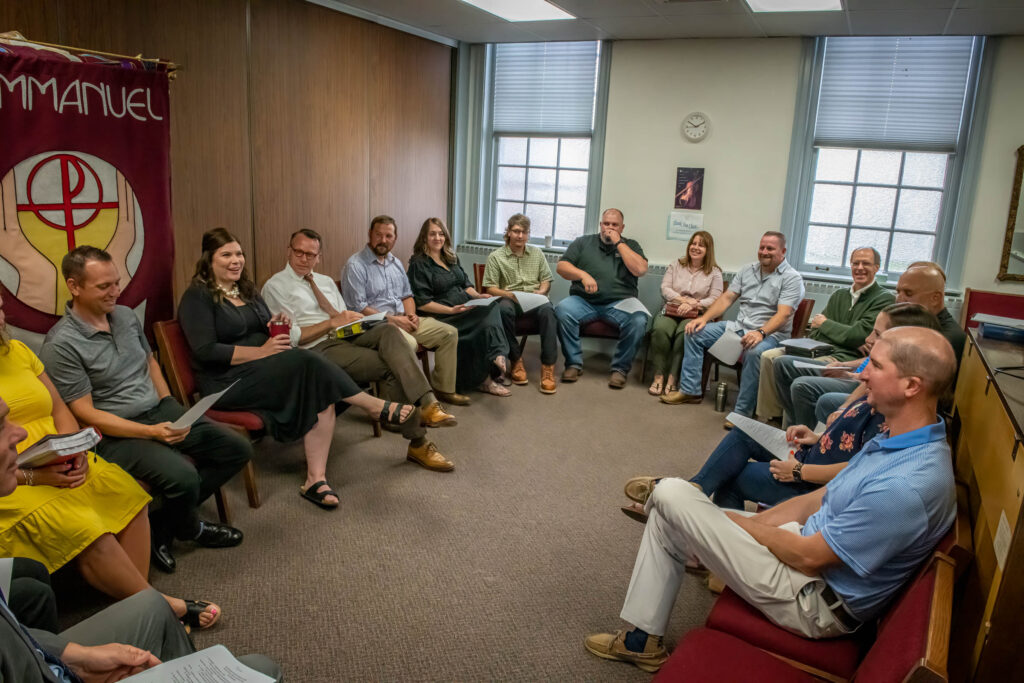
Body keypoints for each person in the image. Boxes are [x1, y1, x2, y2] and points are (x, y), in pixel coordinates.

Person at [585, 326, 957, 673]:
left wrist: (734, 524)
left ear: (912, 385)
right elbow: (817, 500)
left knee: (669, 493)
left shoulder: (907, 484)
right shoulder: (899, 439)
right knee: (672, 510)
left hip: (812, 602)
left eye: (875, 365)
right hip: (803, 554)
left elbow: (810, 558)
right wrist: (745, 526)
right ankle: (642, 640)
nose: (862, 374)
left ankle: (681, 532)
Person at [0, 402, 283, 682]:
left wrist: (74, 656)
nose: (19, 433)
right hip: (41, 472)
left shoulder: (24, 356)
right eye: (2, 425)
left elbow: (14, 638)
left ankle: (151, 596)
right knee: (264, 669)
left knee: (149, 602)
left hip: (36, 656)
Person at [178, 228, 446, 511]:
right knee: (309, 362)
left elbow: (265, 325)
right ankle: (373, 405)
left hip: (266, 365)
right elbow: (205, 351)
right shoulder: (197, 297)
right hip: (227, 381)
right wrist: (261, 351)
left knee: (321, 381)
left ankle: (315, 480)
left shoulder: (245, 289)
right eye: (226, 255)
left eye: (239, 253)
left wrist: (273, 323)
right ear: (209, 259)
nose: (236, 260)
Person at [1, 302, 221, 628]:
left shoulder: (17, 351)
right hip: (14, 477)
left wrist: (69, 450)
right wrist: (36, 474)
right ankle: (158, 606)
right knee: (88, 527)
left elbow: (60, 408)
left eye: (1, 306)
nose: (1, 315)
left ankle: (134, 600)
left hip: (54, 455)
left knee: (130, 498)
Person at [622, 303, 940, 520]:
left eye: (878, 335)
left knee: (733, 479)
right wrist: (817, 437)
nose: (868, 339)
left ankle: (689, 519)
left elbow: (856, 471)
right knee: (743, 432)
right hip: (813, 454)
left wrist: (798, 471)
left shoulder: (892, 410)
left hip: (810, 479)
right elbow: (851, 439)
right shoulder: (881, 386)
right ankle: (693, 489)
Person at [40, 247, 249, 574]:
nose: (115, 292)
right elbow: (86, 414)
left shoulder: (124, 315)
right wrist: (152, 433)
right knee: (183, 476)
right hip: (113, 434)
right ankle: (190, 528)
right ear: (74, 286)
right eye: (104, 286)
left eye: (116, 283)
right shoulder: (61, 344)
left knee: (236, 449)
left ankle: (164, 527)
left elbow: (150, 362)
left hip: (157, 410)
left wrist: (168, 403)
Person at [260, 229, 456, 468]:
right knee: (392, 365)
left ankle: (428, 403)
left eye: (310, 255)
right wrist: (331, 323)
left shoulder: (324, 282)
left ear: (319, 257)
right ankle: (419, 442)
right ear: (288, 250)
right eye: (298, 252)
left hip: (346, 336)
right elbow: (293, 338)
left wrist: (358, 322)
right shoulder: (275, 287)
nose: (303, 259)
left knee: (389, 330)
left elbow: (345, 318)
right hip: (316, 349)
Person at [783, 262, 965, 428]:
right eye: (898, 291)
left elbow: (898, 383)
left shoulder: (940, 339)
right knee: (785, 363)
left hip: (897, 407)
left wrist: (848, 401)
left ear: (935, 298)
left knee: (813, 392)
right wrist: (850, 372)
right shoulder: (912, 321)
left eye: (908, 294)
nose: (899, 299)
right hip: (873, 384)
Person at [662, 232, 805, 421]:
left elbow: (783, 314)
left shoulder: (792, 278)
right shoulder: (747, 270)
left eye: (770, 248)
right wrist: (703, 319)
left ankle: (742, 413)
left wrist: (760, 332)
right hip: (738, 327)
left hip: (770, 335)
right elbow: (727, 298)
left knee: (755, 352)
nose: (764, 252)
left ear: (783, 251)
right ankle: (690, 391)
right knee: (694, 331)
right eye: (762, 247)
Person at [342, 215, 468, 406]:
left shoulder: (395, 263)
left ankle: (444, 388)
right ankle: (408, 401)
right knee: (408, 344)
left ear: (395, 238)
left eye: (388, 236)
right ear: (369, 235)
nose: (383, 240)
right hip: (377, 325)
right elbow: (358, 308)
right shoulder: (355, 265)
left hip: (403, 318)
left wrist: (412, 315)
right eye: (378, 235)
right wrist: (394, 320)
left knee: (449, 333)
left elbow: (407, 296)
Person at [757, 247, 893, 423]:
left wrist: (827, 325)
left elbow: (858, 335)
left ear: (876, 267)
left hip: (841, 357)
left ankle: (794, 422)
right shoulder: (839, 295)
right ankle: (775, 415)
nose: (859, 268)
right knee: (768, 356)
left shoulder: (884, 298)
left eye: (865, 263)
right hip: (818, 349)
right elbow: (816, 331)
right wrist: (846, 336)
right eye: (855, 263)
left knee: (784, 364)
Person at [407, 218, 513, 397]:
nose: (437, 238)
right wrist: (451, 310)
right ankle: (493, 366)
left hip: (464, 308)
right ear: (424, 237)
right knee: (484, 323)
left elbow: (466, 285)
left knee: (493, 304)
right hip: (444, 315)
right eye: (432, 234)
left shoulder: (450, 257)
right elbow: (422, 302)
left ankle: (491, 365)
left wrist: (479, 296)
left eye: (441, 234)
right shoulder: (419, 263)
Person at [555, 208, 650, 389]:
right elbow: (561, 267)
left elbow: (640, 270)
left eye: (614, 225)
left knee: (639, 320)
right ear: (600, 224)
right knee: (562, 310)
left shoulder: (631, 245)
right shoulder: (583, 242)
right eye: (606, 224)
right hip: (584, 301)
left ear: (622, 228)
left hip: (620, 303)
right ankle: (573, 364)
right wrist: (582, 274)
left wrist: (619, 243)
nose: (609, 228)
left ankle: (620, 370)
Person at [481, 213, 559, 394]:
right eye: (516, 231)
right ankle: (516, 361)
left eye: (524, 232)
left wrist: (541, 292)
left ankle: (548, 368)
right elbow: (490, 288)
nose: (520, 236)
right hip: (510, 299)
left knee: (549, 311)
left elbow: (546, 280)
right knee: (504, 310)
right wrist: (510, 294)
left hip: (534, 298)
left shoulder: (537, 253)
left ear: (529, 234)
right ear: (508, 232)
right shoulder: (496, 256)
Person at [647, 231, 723, 396]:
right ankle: (659, 376)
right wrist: (683, 301)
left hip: (697, 315)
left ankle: (673, 378)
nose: (695, 247)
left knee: (685, 332)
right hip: (671, 310)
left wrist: (694, 304)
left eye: (701, 245)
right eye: (693, 243)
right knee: (660, 329)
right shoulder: (676, 264)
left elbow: (716, 299)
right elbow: (665, 288)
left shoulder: (715, 272)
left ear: (708, 250)